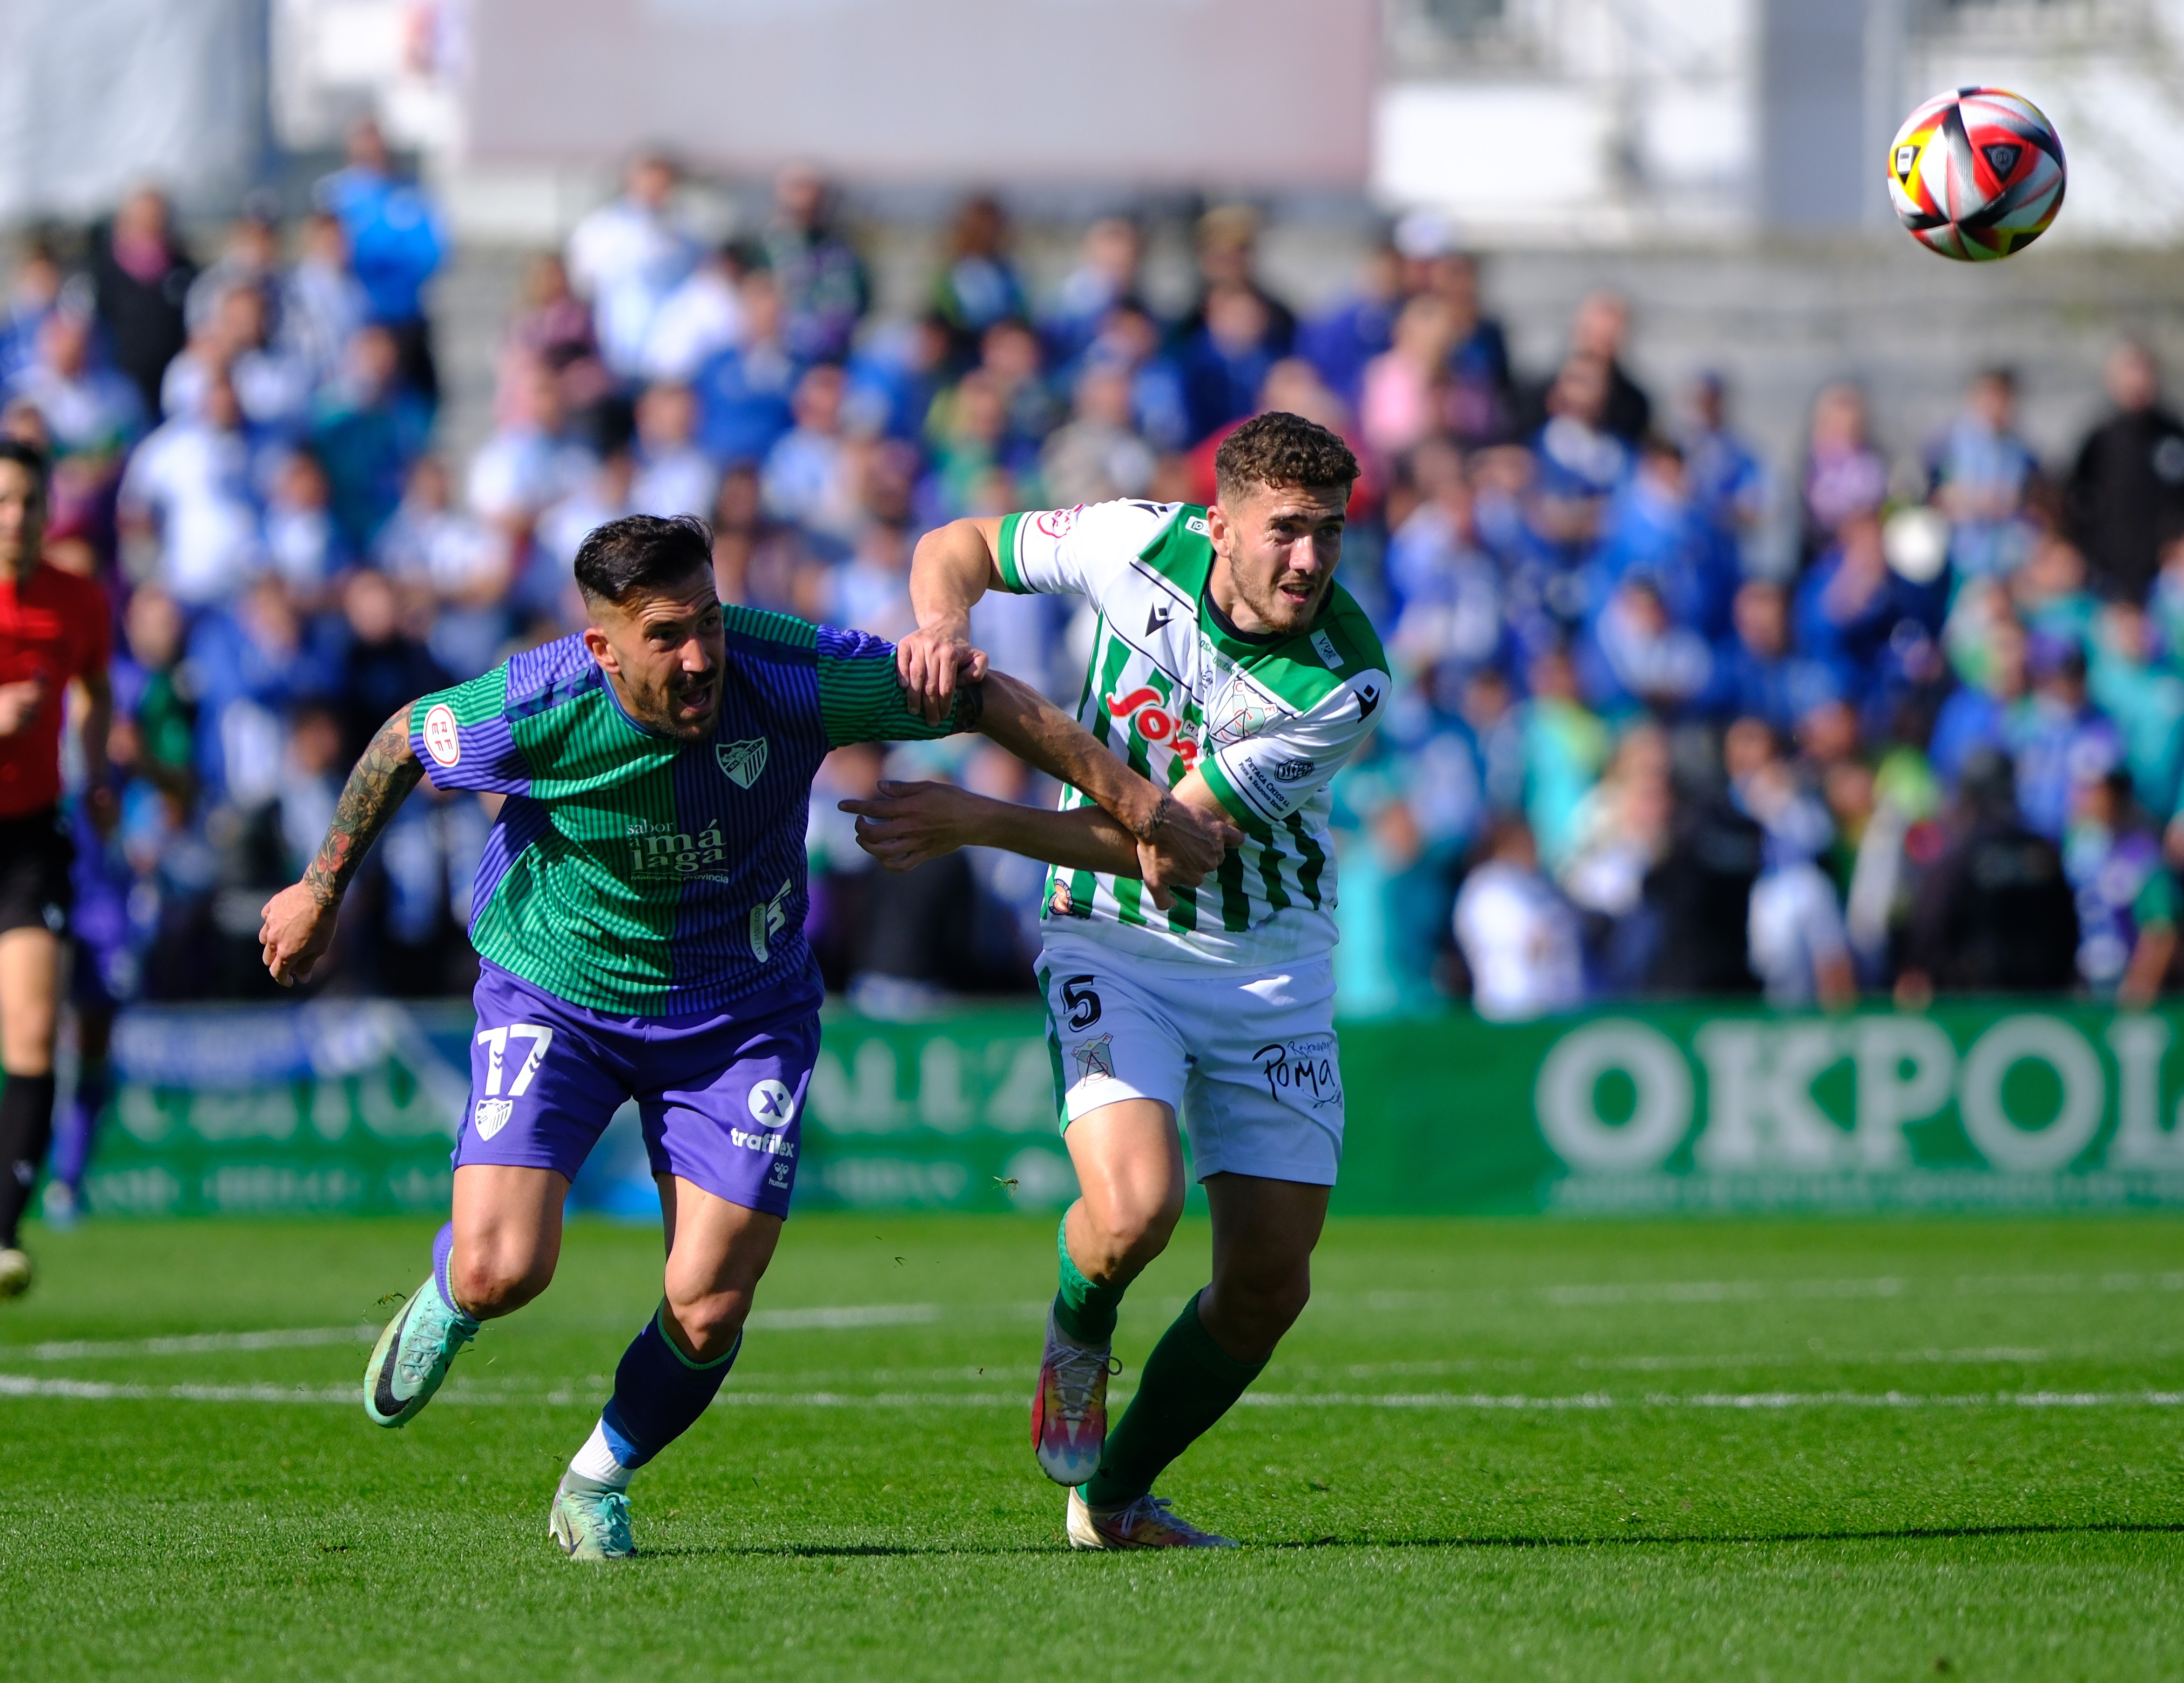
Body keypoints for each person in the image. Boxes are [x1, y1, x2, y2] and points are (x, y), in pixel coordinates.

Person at [254, 512, 1226, 1559]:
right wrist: (320, 889)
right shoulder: (537, 703)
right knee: (504, 1270)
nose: (701, 654)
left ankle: (596, 1478)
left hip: (740, 1013)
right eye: (668, 633)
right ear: (603, 647)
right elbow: (404, 737)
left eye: (709, 620)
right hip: (558, 992)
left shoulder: (790, 670)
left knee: (709, 1303)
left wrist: (1135, 801)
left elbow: (978, 695)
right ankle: (453, 1289)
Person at [867, 411, 1389, 1549]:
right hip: (1111, 937)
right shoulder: (1130, 541)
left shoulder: (1342, 683)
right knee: (1134, 1208)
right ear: (1220, 524)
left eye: (1330, 534)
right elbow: (960, 543)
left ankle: (1112, 1499)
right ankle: (1080, 1325)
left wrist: (973, 819)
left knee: (1268, 1285)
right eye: (1285, 531)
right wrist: (944, 626)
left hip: (1268, 965)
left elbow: (1171, 839)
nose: (1309, 559)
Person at [0, 440, 114, 1296]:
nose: (15, 519)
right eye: (2, 502)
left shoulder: (77, 601)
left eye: (27, 503)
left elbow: (98, 690)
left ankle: (4, 1233)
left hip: (31, 839)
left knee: (35, 1032)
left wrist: (98, 770)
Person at [2067, 342, 2184, 602]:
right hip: (2110, 571)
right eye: (2129, 371)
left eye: (2144, 371)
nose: (2138, 380)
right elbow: (2074, 498)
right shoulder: (2100, 438)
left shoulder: (2173, 433)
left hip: (2169, 574)